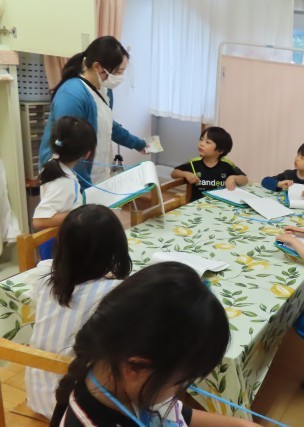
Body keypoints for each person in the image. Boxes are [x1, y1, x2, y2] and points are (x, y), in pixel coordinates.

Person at [50, 262, 259, 427]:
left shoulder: (122, 380)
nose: (178, 392)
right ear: (134, 367)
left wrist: (240, 424)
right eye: (180, 382)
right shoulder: (116, 399)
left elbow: (171, 412)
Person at [26, 204, 132, 419]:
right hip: (75, 409)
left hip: (37, 395)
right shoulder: (115, 292)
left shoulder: (45, 278)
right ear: (115, 249)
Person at [38, 36, 147, 187]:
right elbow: (71, 147)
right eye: (117, 71)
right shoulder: (72, 94)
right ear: (97, 67)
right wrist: (86, 189)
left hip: (93, 172)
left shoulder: (104, 89)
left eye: (122, 72)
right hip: (66, 177)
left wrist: (138, 144)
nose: (120, 77)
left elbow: (107, 125)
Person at [33, 116, 97, 231]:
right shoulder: (64, 181)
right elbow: (39, 221)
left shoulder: (54, 165)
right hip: (64, 239)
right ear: (87, 154)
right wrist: (81, 214)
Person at [171, 126, 248, 202]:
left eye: (207, 142)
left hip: (220, 204)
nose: (201, 144)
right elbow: (174, 173)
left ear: (220, 150)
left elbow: (245, 179)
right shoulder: (194, 163)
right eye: (201, 140)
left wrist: (233, 178)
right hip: (197, 205)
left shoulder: (227, 164)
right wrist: (185, 174)